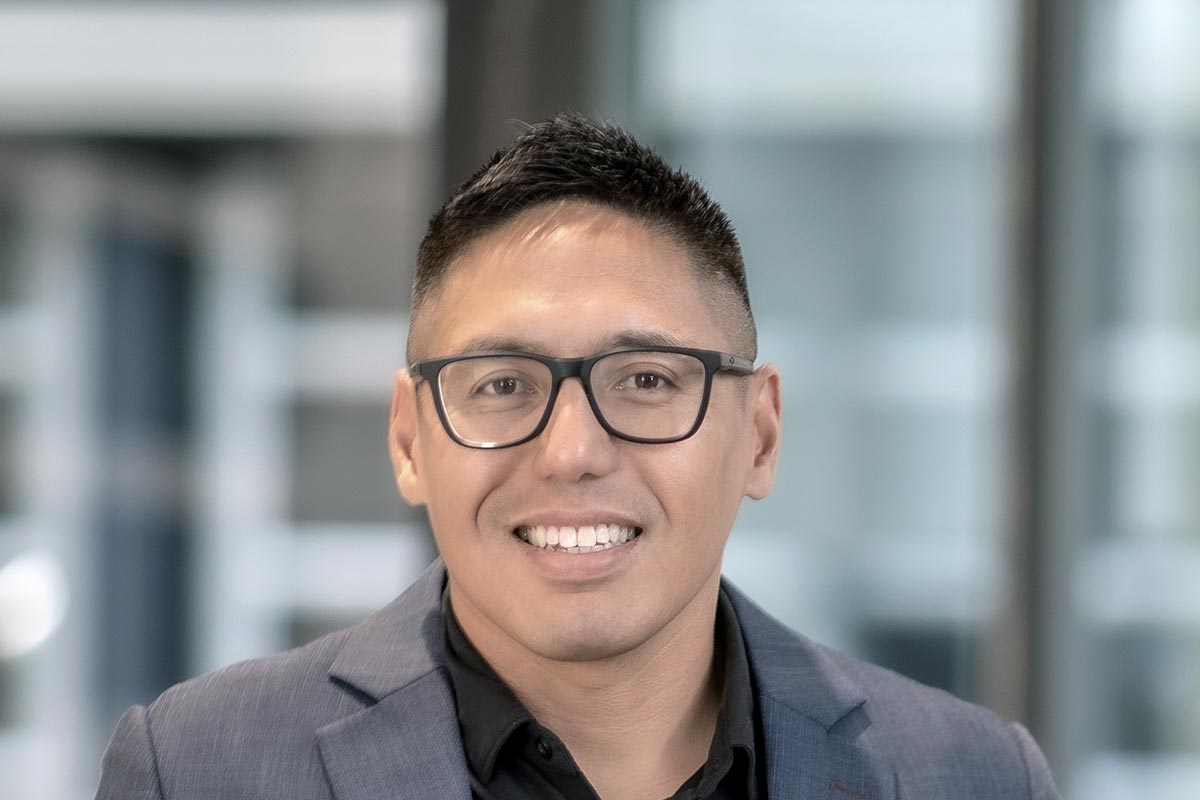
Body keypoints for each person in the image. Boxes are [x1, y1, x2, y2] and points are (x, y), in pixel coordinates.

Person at [95, 113, 1061, 800]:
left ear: (760, 434)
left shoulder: (973, 776)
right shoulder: (200, 768)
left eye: (646, 379)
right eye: (502, 384)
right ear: (408, 439)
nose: (571, 452)